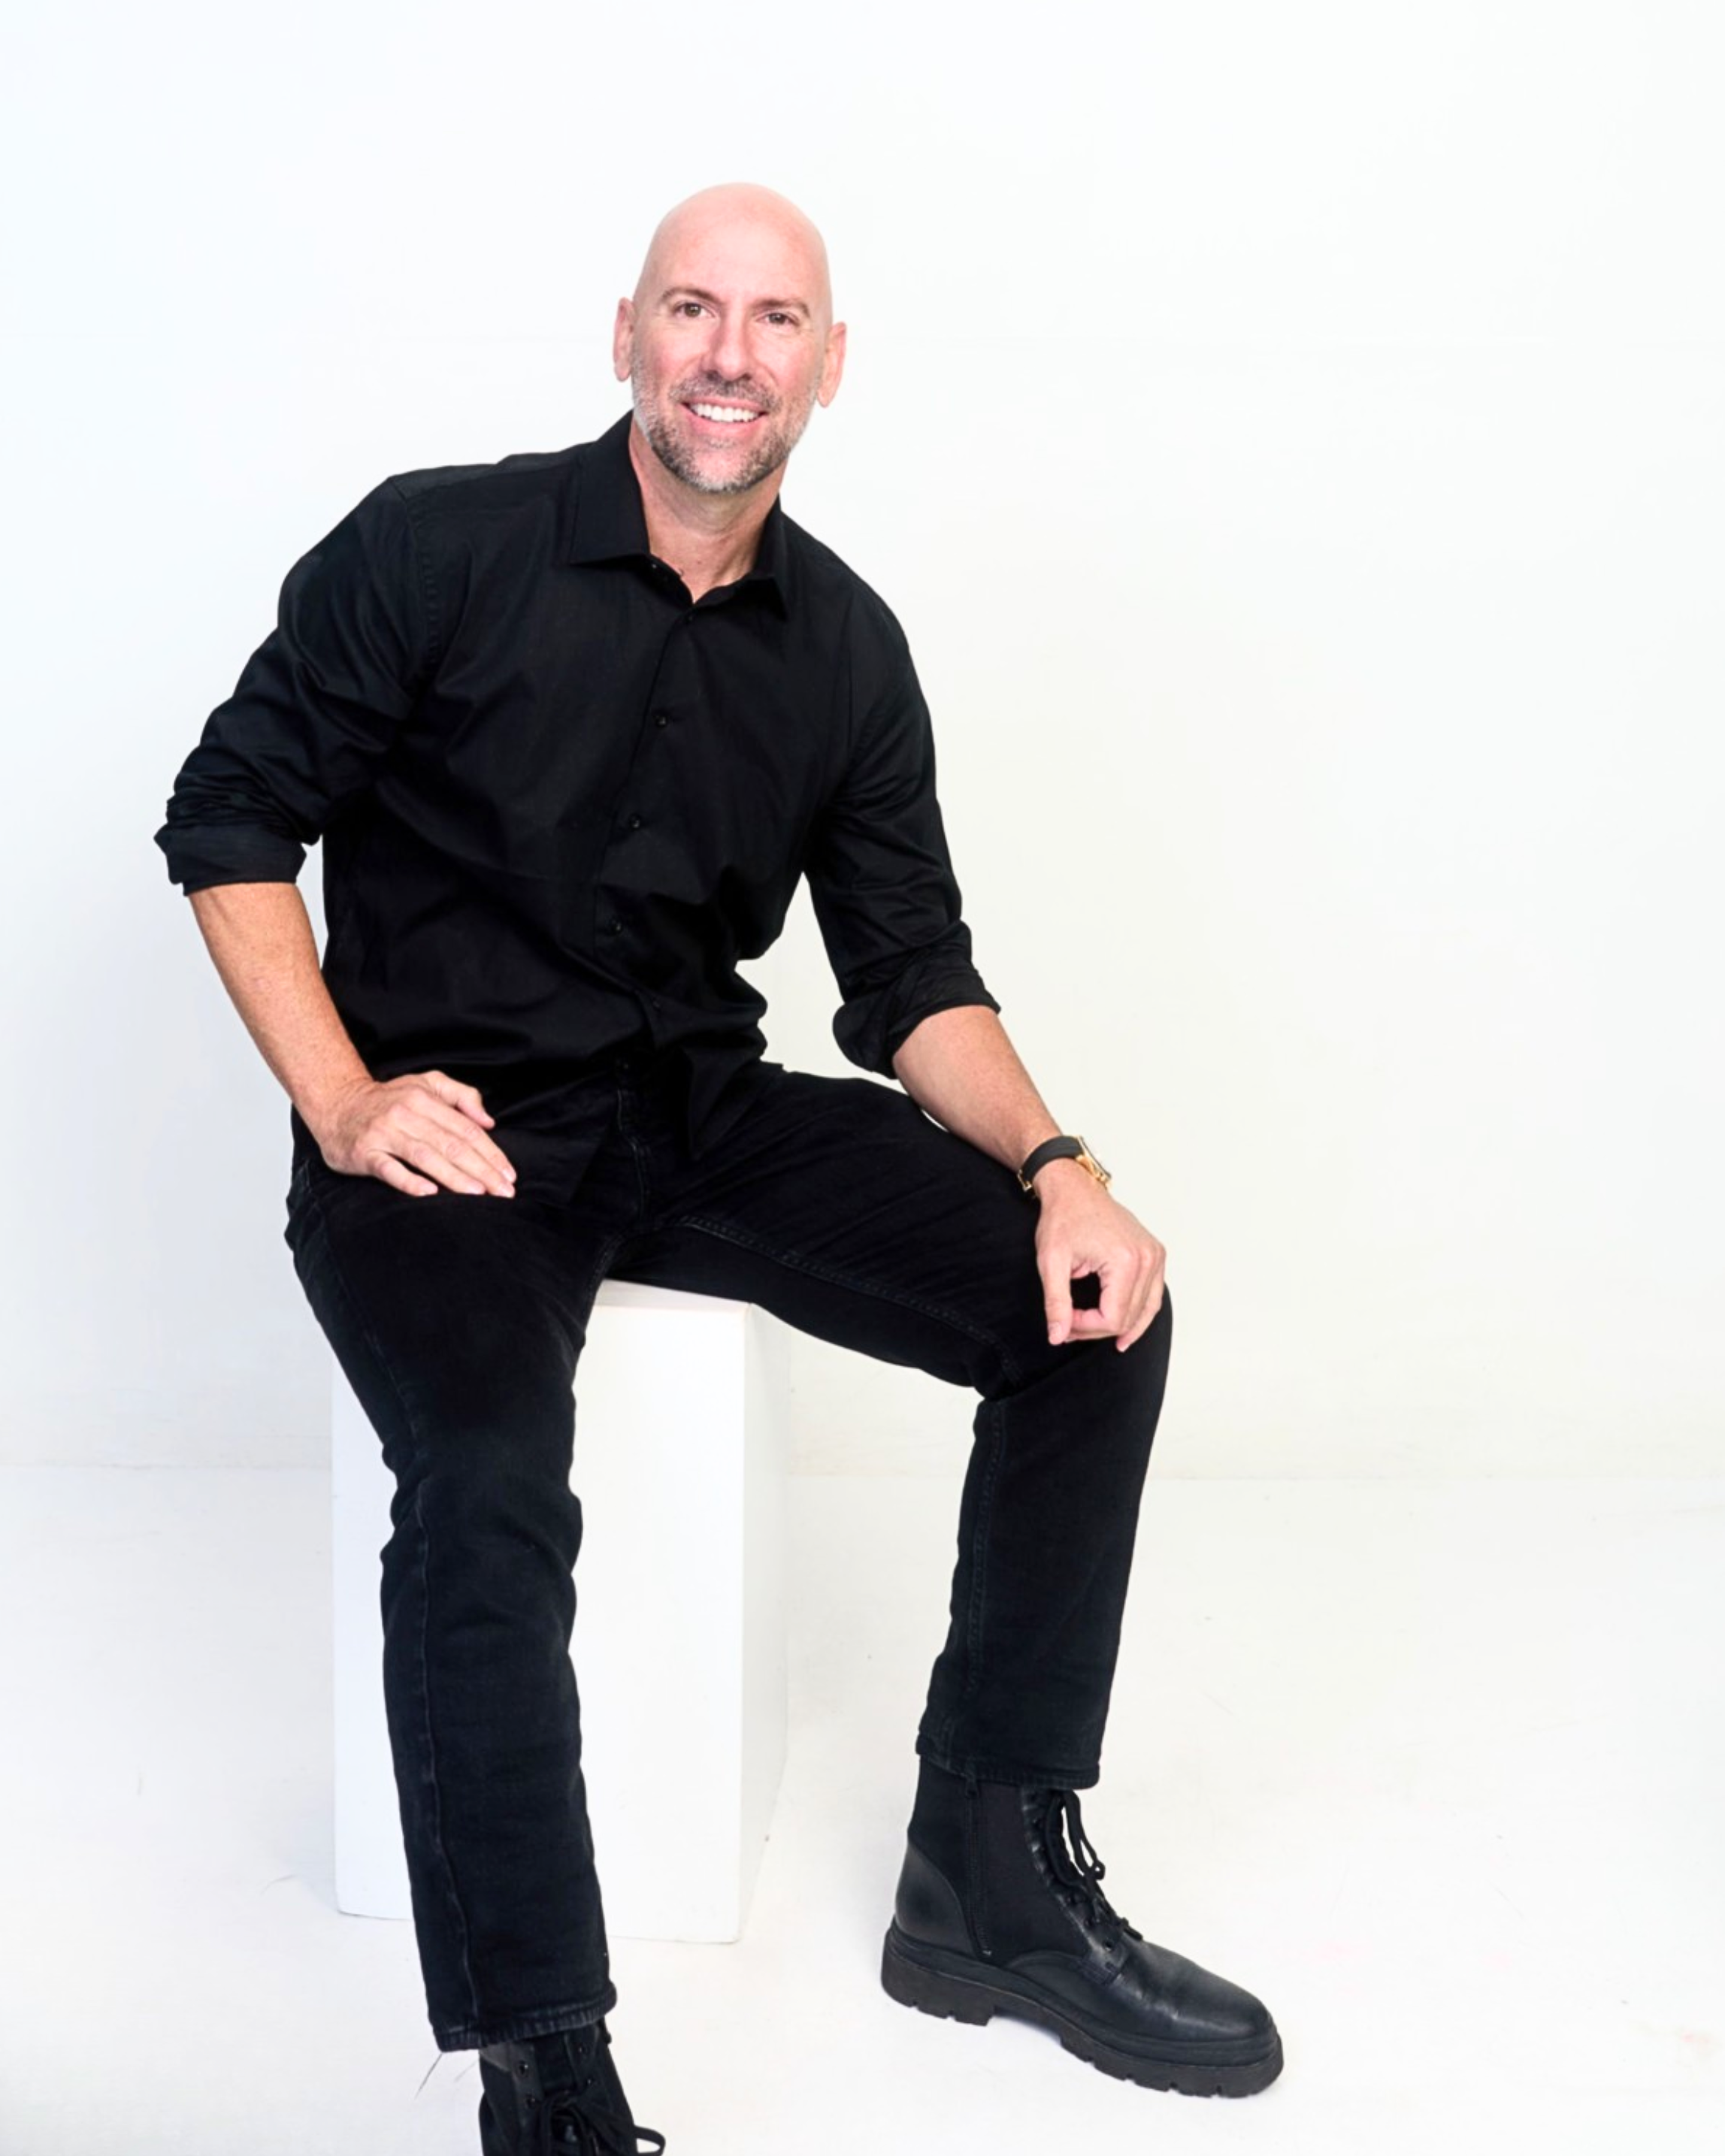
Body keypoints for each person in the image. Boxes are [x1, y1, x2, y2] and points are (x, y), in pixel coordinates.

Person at [153, 181, 1282, 2151]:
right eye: (693, 308)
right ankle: (545, 2066)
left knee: (1085, 1307)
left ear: (826, 365)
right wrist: (344, 1099)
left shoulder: (841, 648)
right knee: (488, 1491)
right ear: (626, 334)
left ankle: (989, 1884)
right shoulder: (433, 546)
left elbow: (913, 974)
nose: (728, 353)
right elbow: (229, 816)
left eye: (774, 320)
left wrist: (1061, 1162)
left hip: (687, 1111)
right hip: (447, 1141)